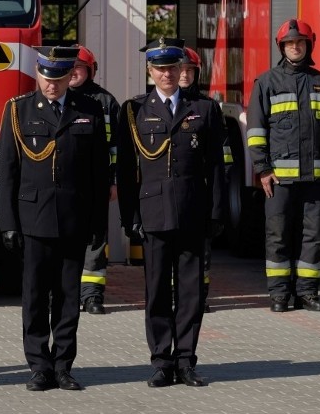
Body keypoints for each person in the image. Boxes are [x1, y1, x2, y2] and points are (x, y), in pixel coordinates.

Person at [116, 37, 226, 388]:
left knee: (192, 292)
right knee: (158, 290)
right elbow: (126, 170)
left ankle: (186, 361)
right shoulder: (134, 111)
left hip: (192, 210)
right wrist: (128, 215)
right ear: (150, 71)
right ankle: (162, 361)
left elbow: (217, 168)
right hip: (153, 212)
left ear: (183, 70)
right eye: (160, 68)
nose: (166, 74)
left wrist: (217, 212)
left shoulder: (206, 109)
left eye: (172, 67)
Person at [0, 46, 110, 392]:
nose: (52, 84)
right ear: (38, 74)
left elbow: (99, 174)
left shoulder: (89, 110)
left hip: (74, 218)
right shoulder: (18, 111)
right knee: (34, 296)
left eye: (59, 78)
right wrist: (9, 223)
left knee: (67, 296)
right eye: (47, 77)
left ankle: (63, 365)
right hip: (33, 219)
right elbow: (9, 171)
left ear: (68, 78)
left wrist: (98, 224)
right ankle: (38, 366)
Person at [246, 19, 320, 313]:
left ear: (308, 46)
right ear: (282, 47)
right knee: (277, 236)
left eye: (300, 43)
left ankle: (307, 293)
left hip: (315, 178)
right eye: (290, 43)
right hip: (278, 181)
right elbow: (256, 130)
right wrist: (263, 169)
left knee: (312, 237)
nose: (295, 47)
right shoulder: (267, 83)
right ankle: (278, 295)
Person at [178, 46, 230, 313]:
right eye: (181, 70)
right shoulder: (153, 106)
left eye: (190, 71)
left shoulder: (208, 108)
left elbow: (221, 159)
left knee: (201, 254)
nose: (185, 76)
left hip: (201, 194)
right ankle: (176, 297)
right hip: (173, 194)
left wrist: (219, 203)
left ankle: (200, 296)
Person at [69, 44, 120, 316]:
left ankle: (92, 296)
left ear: (90, 71)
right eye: (71, 67)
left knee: (95, 239)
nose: (75, 72)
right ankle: (66, 294)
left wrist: (113, 180)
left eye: (80, 68)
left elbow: (115, 146)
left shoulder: (106, 102)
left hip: (97, 182)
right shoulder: (57, 97)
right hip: (65, 184)